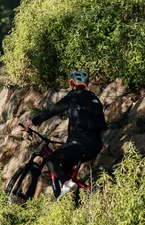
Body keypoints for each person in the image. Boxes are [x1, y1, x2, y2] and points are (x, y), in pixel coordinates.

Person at [25, 69, 106, 198]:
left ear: (73, 83)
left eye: (70, 83)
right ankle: (72, 198)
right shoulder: (93, 98)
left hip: (79, 144)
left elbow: (53, 110)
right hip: (96, 146)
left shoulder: (73, 97)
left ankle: (67, 184)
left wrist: (32, 122)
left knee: (51, 160)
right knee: (65, 166)